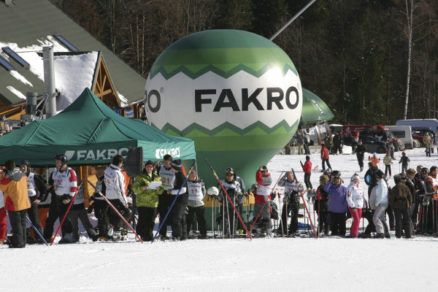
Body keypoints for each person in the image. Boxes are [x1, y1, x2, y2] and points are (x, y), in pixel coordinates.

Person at [43, 154, 77, 243]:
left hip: (66, 198)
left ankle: (68, 236)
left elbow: (74, 187)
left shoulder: (70, 172)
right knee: (50, 219)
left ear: (63, 163)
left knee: (65, 218)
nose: (56, 164)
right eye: (56, 162)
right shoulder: (55, 172)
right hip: (56, 198)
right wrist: (49, 186)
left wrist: (69, 197)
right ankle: (47, 237)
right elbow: (50, 184)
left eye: (58, 162)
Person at [0, 160, 30, 248]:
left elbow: (2, 187)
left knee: (16, 225)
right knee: (23, 223)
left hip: (14, 203)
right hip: (24, 202)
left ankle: (18, 243)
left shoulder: (9, 178)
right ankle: (23, 241)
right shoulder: (23, 174)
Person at [158, 155, 187, 240]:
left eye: (168, 163)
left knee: (176, 216)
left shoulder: (178, 172)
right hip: (163, 193)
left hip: (174, 195)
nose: (166, 164)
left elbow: (183, 188)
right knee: (163, 214)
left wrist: (172, 192)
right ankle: (162, 234)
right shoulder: (160, 168)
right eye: (164, 162)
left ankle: (179, 235)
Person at [132, 160, 163, 241]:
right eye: (147, 167)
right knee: (142, 220)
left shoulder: (157, 177)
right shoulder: (140, 176)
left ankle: (148, 235)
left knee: (151, 220)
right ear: (145, 167)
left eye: (151, 167)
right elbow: (135, 189)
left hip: (153, 203)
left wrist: (159, 189)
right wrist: (143, 188)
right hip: (142, 202)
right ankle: (142, 235)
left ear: (153, 168)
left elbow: (161, 190)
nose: (149, 168)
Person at [104, 155, 131, 241]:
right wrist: (125, 202)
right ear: (120, 163)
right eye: (122, 163)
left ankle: (113, 228)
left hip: (109, 196)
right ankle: (117, 229)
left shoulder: (107, 170)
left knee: (115, 214)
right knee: (127, 212)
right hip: (116, 196)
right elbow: (120, 189)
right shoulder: (118, 174)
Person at [19, 160, 47, 243]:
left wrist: (40, 199)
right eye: (21, 167)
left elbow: (43, 189)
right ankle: (25, 237)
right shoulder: (18, 176)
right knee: (22, 220)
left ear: (28, 167)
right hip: (22, 201)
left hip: (32, 200)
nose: (23, 168)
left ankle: (39, 238)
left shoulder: (33, 176)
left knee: (34, 219)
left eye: (24, 166)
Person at [219, 167, 243, 237]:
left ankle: (233, 233)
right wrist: (221, 198)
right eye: (228, 175)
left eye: (231, 175)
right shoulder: (222, 183)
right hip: (225, 204)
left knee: (233, 219)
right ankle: (225, 233)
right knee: (224, 219)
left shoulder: (236, 183)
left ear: (233, 175)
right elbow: (218, 193)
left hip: (234, 204)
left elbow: (240, 194)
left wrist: (237, 200)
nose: (229, 176)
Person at [323, 171, 348, 236]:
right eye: (335, 180)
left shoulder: (344, 189)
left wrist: (345, 207)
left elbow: (347, 199)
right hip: (333, 211)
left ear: (340, 180)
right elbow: (325, 189)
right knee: (334, 229)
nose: (337, 181)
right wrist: (331, 181)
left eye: (338, 179)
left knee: (342, 228)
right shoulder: (331, 188)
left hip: (342, 211)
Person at [89, 166, 109, 240]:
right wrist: (92, 197)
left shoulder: (105, 179)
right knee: (98, 216)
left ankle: (104, 234)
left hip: (103, 201)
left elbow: (104, 192)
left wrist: (97, 195)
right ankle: (101, 233)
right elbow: (97, 191)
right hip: (97, 201)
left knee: (103, 217)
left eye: (101, 170)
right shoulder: (99, 180)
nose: (99, 172)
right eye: (98, 170)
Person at [186, 170, 207, 239]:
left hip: (199, 204)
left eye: (193, 176)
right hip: (190, 203)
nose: (191, 177)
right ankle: (186, 233)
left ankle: (203, 234)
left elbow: (204, 191)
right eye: (190, 176)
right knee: (188, 220)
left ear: (195, 176)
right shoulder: (187, 182)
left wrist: (201, 198)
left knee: (201, 220)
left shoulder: (201, 182)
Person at [278, 171, 300, 236]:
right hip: (287, 201)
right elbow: (279, 183)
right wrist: (284, 176)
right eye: (287, 176)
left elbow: (302, 190)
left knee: (294, 216)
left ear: (293, 176)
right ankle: (283, 230)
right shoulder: (285, 182)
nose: (289, 178)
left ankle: (293, 230)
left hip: (295, 201)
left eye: (290, 176)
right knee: (284, 215)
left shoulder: (297, 182)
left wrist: (298, 189)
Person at [369, 170, 390, 238]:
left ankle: (380, 232)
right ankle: (386, 232)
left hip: (381, 203)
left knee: (375, 217)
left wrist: (376, 204)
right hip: (384, 202)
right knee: (382, 218)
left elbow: (381, 195)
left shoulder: (381, 184)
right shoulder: (383, 183)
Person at [253, 166, 272, 237]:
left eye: (264, 171)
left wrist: (258, 171)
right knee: (257, 216)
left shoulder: (268, 178)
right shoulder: (262, 177)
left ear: (267, 171)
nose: (263, 173)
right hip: (258, 199)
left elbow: (259, 180)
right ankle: (259, 231)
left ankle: (268, 231)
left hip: (265, 199)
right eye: (262, 172)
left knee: (266, 216)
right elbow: (259, 184)